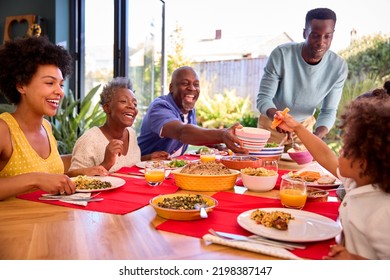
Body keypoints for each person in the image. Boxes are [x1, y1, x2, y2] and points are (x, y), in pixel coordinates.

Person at [274, 91, 390, 260]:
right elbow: (325, 155)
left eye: (346, 148)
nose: (340, 151)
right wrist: (297, 127)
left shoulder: (383, 213)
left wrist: (353, 260)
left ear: (363, 163)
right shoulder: (356, 181)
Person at [256, 7, 348, 148]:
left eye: (327, 36)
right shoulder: (281, 55)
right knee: (266, 168)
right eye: (315, 35)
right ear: (305, 33)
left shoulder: (338, 67)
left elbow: (329, 110)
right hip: (272, 124)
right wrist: (279, 119)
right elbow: (264, 99)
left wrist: (314, 137)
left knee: (303, 170)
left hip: (304, 128)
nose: (321, 42)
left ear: (332, 35)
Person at [0, 36, 76, 200]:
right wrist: (36, 179)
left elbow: (48, 172)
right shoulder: (3, 129)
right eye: (50, 83)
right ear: (21, 86)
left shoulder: (46, 127)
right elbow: (39, 178)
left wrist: (78, 173)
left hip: (51, 222)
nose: (60, 92)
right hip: (14, 225)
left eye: (61, 85)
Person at [137, 66, 248, 157]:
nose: (192, 88)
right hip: (143, 170)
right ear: (171, 88)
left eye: (196, 84)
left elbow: (195, 134)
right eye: (185, 83)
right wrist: (222, 135)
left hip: (170, 168)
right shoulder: (160, 107)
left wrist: (218, 145)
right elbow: (182, 132)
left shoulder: (189, 109)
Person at [68, 77, 169, 175]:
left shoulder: (131, 133)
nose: (132, 106)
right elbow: (73, 181)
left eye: (135, 104)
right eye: (123, 101)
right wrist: (106, 164)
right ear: (107, 108)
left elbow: (125, 165)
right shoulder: (89, 140)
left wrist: (148, 158)